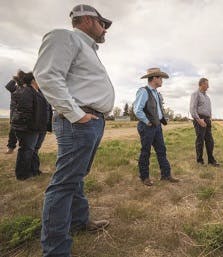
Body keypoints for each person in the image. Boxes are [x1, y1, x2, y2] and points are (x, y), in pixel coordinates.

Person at [33, 4, 114, 257]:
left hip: (91, 120)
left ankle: (79, 221)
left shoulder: (88, 49)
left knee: (76, 177)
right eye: (103, 23)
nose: (105, 30)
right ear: (88, 20)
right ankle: (56, 250)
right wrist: (77, 115)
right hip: (79, 121)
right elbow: (47, 76)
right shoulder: (65, 37)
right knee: (64, 183)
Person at [133, 68, 179, 186]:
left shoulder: (156, 94)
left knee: (161, 150)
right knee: (146, 151)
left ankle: (166, 175)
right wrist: (147, 122)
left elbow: (157, 110)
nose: (162, 80)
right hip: (147, 126)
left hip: (157, 126)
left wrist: (160, 119)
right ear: (154, 78)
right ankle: (144, 177)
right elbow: (137, 110)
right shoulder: (143, 91)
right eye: (160, 78)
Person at [9, 71, 52, 180]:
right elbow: (24, 111)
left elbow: (47, 108)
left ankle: (34, 171)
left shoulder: (40, 92)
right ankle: (22, 175)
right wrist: (29, 126)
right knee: (26, 150)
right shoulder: (26, 91)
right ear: (33, 80)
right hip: (30, 128)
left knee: (34, 149)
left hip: (40, 127)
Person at [189, 78, 219, 166]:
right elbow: (192, 108)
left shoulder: (207, 97)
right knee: (200, 140)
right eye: (207, 84)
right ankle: (199, 160)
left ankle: (211, 160)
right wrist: (198, 119)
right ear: (201, 84)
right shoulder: (195, 94)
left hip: (207, 119)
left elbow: (209, 110)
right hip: (199, 119)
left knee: (210, 140)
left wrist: (210, 119)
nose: (208, 86)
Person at [4, 74, 20, 154]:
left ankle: (24, 148)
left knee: (25, 131)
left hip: (25, 114)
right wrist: (15, 78)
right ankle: (11, 147)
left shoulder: (28, 89)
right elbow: (8, 86)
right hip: (14, 113)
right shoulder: (14, 89)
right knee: (13, 131)